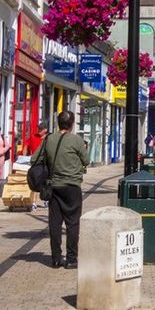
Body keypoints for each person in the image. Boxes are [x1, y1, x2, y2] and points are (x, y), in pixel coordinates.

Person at [37, 110, 88, 269]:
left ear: (58, 123)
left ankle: (56, 259)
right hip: (72, 186)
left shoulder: (49, 139)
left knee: (55, 223)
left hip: (54, 186)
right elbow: (86, 160)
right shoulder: (77, 140)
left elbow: (34, 159)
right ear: (72, 124)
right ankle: (71, 259)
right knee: (72, 223)